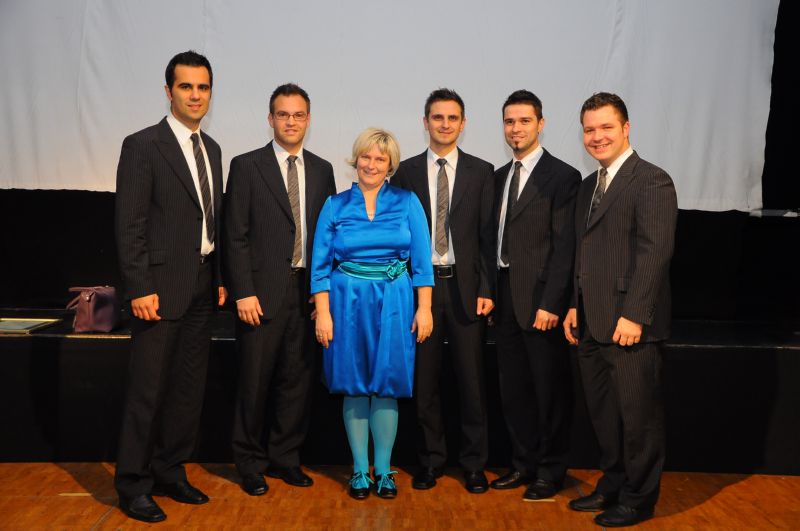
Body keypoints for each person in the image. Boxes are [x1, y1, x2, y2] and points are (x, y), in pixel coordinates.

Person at [114, 50, 226, 523]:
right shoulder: (143, 145)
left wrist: (218, 278)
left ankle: (170, 470)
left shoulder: (212, 148)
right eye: (186, 87)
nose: (195, 95)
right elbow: (130, 224)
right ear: (168, 91)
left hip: (201, 285)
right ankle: (133, 484)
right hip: (157, 290)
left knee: (186, 390)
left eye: (202, 87)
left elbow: (210, 221)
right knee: (148, 392)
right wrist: (139, 286)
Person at [564, 92, 677, 527]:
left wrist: (634, 315)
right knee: (605, 417)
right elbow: (583, 252)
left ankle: (639, 498)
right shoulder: (587, 186)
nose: (597, 137)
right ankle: (612, 485)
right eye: (589, 129)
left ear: (626, 128)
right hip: (591, 322)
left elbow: (655, 253)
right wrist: (574, 306)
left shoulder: (651, 180)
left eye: (606, 127)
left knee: (638, 419)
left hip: (631, 326)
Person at [310, 128, 434, 500]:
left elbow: (422, 263)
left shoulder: (408, 202)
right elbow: (319, 267)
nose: (372, 164)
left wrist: (425, 308)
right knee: (353, 384)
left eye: (380, 159)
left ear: (390, 165)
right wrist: (323, 314)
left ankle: (384, 471)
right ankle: (360, 471)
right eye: (366, 156)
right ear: (356, 159)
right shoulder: (334, 205)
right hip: (345, 304)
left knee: (387, 383)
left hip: (395, 302)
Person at [224, 83, 336, 496]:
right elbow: (234, 234)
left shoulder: (322, 169)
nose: (291, 121)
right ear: (270, 118)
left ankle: (285, 458)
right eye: (283, 114)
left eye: (298, 114)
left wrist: (324, 294)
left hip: (305, 293)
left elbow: (328, 237)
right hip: (259, 294)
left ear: (309, 119)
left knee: (297, 381)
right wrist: (243, 291)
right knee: (254, 384)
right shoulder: (246, 166)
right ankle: (250, 463)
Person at [391, 89, 495, 494]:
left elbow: (487, 236)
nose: (445, 124)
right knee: (426, 383)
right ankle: (430, 461)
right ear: (425, 122)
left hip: (467, 291)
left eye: (453, 118)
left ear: (463, 124)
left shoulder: (482, 172)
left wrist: (487, 287)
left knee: (473, 384)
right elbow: (399, 238)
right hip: (423, 291)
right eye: (438, 117)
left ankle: (474, 465)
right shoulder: (405, 173)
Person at [491, 90, 580, 500]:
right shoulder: (498, 177)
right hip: (505, 299)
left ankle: (550, 471)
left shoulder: (562, 176)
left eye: (525, 121)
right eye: (510, 121)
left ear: (541, 124)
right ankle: (522, 464)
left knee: (549, 392)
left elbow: (565, 247)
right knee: (515, 391)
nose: (516, 128)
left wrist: (551, 303)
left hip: (542, 303)